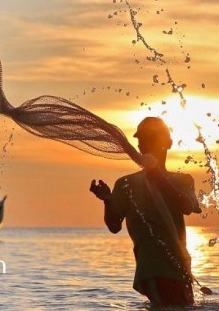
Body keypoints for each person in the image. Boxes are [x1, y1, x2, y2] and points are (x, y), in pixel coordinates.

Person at [90, 117, 201, 307]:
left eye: (151, 138)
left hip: (181, 267)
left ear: (168, 143)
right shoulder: (126, 184)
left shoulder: (182, 180)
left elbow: (188, 207)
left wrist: (160, 179)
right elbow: (114, 226)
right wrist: (108, 201)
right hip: (152, 268)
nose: (145, 145)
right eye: (142, 140)